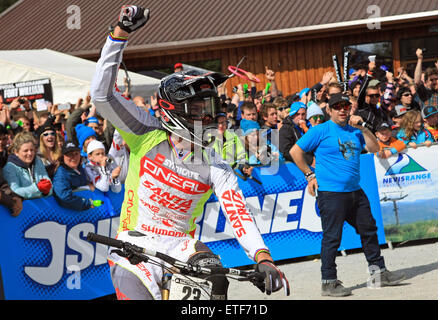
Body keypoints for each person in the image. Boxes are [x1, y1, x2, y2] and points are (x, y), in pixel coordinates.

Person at [90, 6, 289, 301]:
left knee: (216, 275)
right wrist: (119, 34)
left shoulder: (213, 161)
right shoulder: (146, 132)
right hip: (134, 243)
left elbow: (237, 212)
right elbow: (102, 96)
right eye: (198, 110)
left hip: (182, 246)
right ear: (176, 111)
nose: (208, 117)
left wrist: (263, 257)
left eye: (210, 108)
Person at [289, 93, 405, 297]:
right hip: (331, 193)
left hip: (355, 191)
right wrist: (309, 175)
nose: (342, 109)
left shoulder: (355, 132)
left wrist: (362, 128)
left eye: (345, 106)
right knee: (332, 238)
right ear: (329, 110)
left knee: (369, 230)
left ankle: (379, 274)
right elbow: (295, 152)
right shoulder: (321, 130)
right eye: (337, 106)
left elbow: (374, 148)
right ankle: (329, 282)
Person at [52, 141, 101, 211]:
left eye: (76, 153)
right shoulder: (61, 174)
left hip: (86, 214)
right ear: (63, 156)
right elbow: (64, 196)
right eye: (69, 154)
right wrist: (87, 203)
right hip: (69, 215)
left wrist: (88, 184)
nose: (74, 157)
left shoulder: (80, 168)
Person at [3, 131, 53, 199]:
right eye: (25, 151)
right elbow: (14, 191)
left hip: (41, 205)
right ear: (16, 152)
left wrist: (46, 191)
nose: (30, 153)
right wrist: (37, 188)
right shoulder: (10, 168)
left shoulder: (37, 161)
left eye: (32, 150)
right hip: (23, 207)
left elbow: (49, 185)